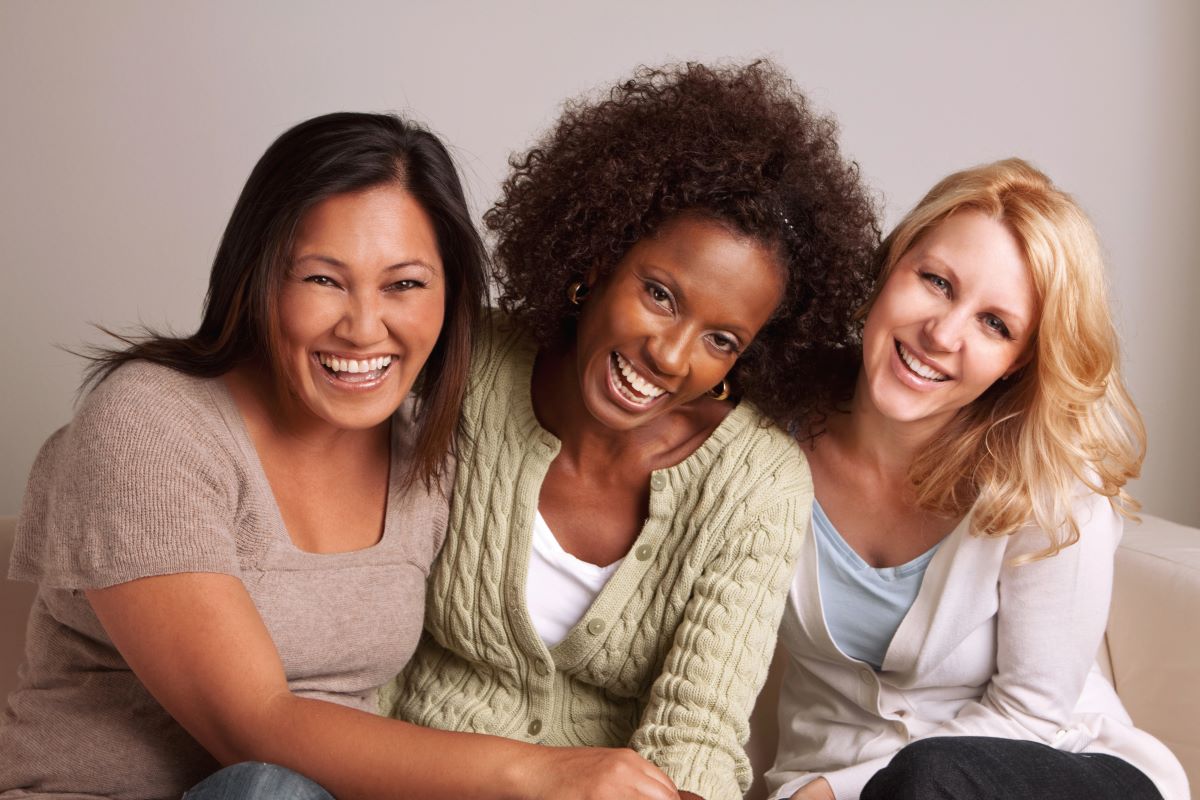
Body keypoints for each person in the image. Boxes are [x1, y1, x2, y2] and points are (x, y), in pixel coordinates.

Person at [1, 112, 682, 800]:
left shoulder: (429, 449)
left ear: (451, 297)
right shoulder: (151, 426)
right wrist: (537, 773)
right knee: (268, 787)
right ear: (259, 278)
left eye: (404, 285)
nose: (362, 328)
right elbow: (254, 726)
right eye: (324, 280)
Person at [384, 62, 880, 800]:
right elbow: (365, 634)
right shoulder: (466, 367)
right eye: (659, 294)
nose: (670, 356)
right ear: (597, 256)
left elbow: (698, 734)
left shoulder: (757, 482)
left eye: (722, 340)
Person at [765, 159, 1190, 800]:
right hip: (839, 784)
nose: (942, 334)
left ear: (1019, 362)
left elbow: (1030, 715)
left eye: (995, 324)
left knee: (928, 779)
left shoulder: (1049, 484)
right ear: (889, 265)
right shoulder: (768, 443)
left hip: (1060, 770)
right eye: (936, 281)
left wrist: (830, 793)